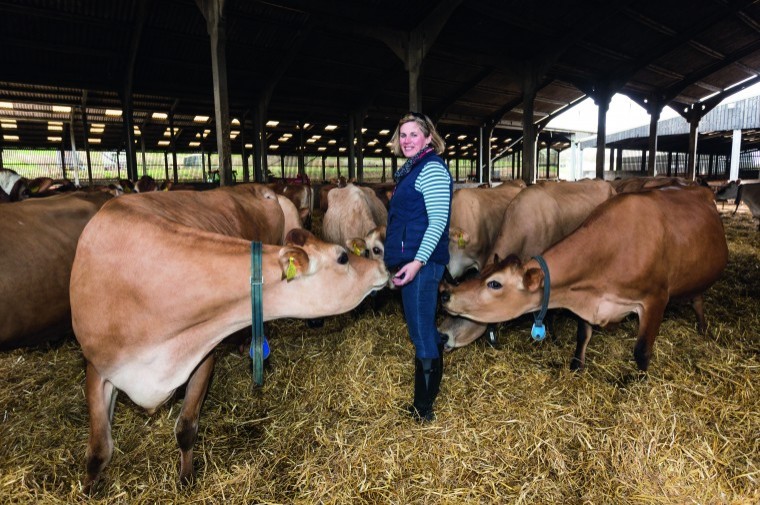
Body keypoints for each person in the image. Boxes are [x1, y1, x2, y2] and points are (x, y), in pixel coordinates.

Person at [384, 111, 452, 423]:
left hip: (422, 265)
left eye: (414, 134)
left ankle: (424, 410)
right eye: (403, 135)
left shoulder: (432, 169)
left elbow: (437, 222)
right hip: (412, 262)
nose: (407, 140)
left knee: (421, 333)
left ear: (427, 137)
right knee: (421, 327)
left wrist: (417, 262)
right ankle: (438, 350)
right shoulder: (411, 170)